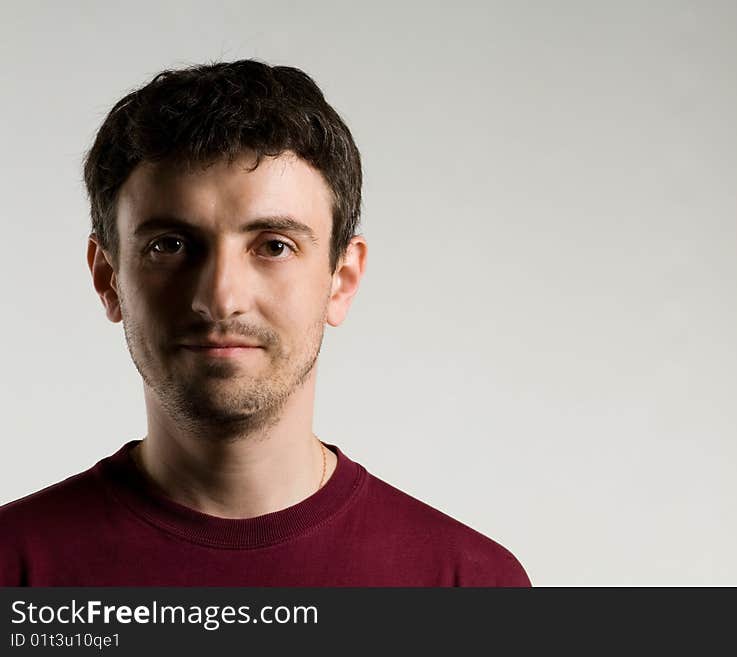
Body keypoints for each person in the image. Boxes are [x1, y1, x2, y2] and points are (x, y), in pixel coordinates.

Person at [0, 60, 530, 587]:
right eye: (171, 246)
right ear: (108, 277)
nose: (220, 298)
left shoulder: (469, 586)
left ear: (341, 280)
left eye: (275, 246)